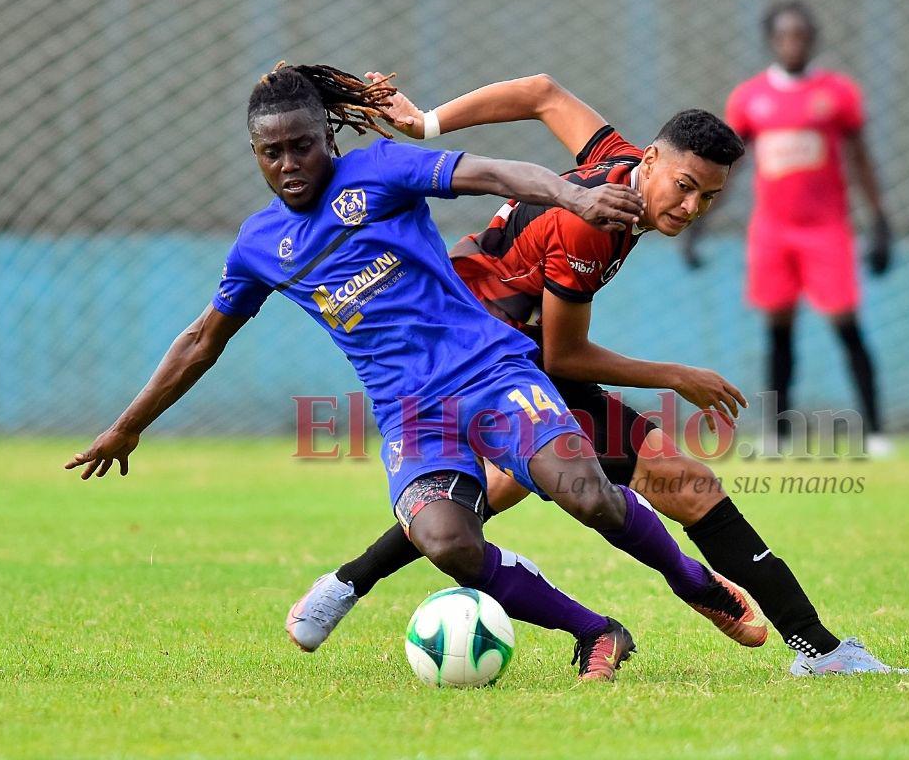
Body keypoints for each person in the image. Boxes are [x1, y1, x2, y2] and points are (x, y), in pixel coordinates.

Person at [64, 62, 753, 682]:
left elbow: (498, 173)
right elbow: (198, 342)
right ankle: (596, 631)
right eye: (271, 153)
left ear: (328, 141)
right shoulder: (258, 247)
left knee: (588, 496)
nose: (289, 163)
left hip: (490, 371)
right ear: (256, 157)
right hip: (411, 414)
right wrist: (127, 428)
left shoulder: (380, 171)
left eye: (302, 145)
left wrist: (576, 200)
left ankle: (694, 582)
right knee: (447, 542)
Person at [302, 70, 906, 676]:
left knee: (490, 498)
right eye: (685, 186)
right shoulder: (594, 224)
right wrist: (674, 375)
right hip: (487, 359)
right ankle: (810, 645)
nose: (692, 207)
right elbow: (565, 358)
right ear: (652, 161)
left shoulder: (618, 164)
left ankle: (345, 585)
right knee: (654, 489)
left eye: (709, 197)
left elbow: (541, 92)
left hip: (503, 350)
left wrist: (428, 122)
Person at [683, 0, 894, 456]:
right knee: (779, 331)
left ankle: (875, 432)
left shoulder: (837, 93)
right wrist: (701, 217)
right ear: (772, 40)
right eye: (784, 35)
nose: (792, 42)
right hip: (773, 233)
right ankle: (778, 434)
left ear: (812, 39)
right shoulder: (750, 98)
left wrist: (880, 222)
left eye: (800, 35)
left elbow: (860, 160)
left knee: (846, 325)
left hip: (827, 230)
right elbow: (729, 168)